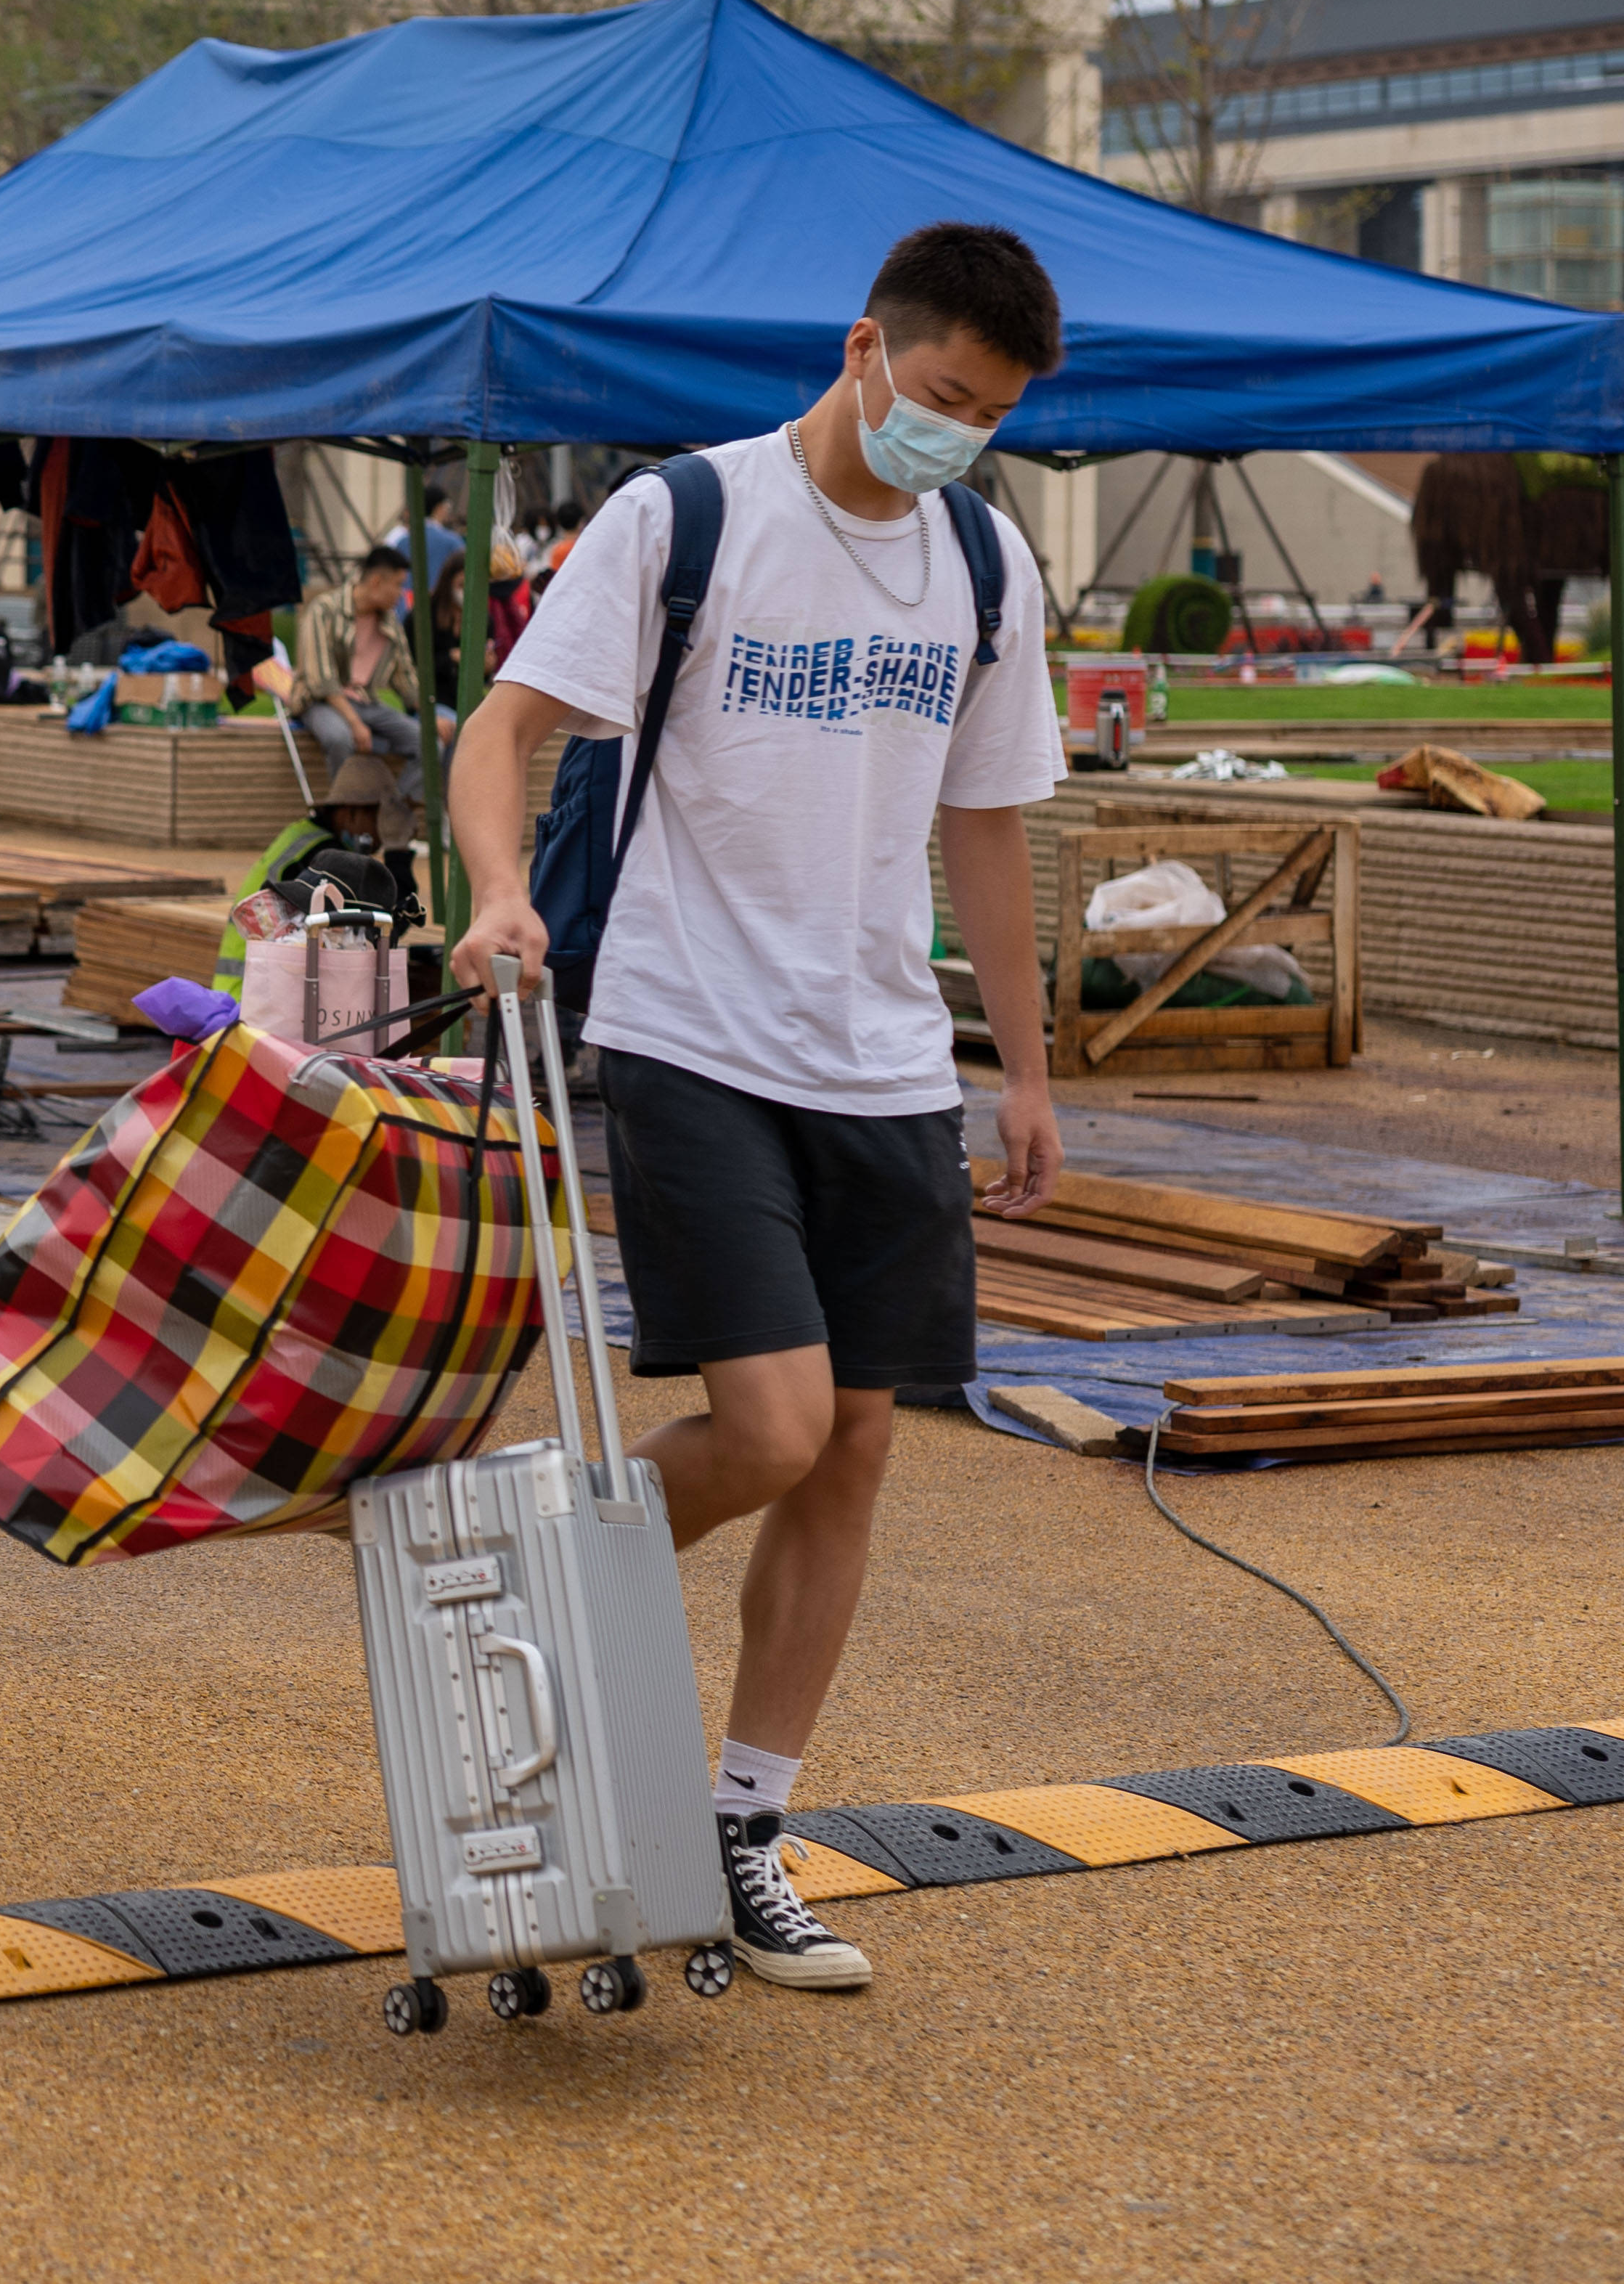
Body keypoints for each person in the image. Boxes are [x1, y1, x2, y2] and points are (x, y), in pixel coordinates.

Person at [445, 219, 1069, 1999]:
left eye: (993, 414)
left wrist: (1022, 1068)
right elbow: (505, 733)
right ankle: (554, 1571)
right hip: (691, 1028)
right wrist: (501, 891)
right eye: (946, 395)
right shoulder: (685, 516)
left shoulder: (981, 559)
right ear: (866, 344)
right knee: (780, 1425)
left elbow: (990, 828)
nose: (961, 432)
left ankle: (743, 1826)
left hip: (884, 1059)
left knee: (858, 1446)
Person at [253, 542, 437, 772]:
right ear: (376, 582)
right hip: (320, 702)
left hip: (366, 701)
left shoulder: (389, 621)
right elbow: (322, 681)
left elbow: (406, 677)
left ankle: (398, 804)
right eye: (399, 585)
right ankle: (342, 805)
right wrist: (355, 723)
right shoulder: (324, 610)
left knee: (430, 745)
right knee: (340, 738)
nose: (402, 594)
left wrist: (431, 718)